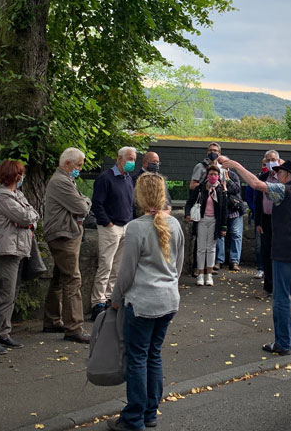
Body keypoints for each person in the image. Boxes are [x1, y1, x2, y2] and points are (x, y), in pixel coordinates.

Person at [107, 173, 184, 431]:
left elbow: (126, 272)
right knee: (154, 355)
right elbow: (178, 265)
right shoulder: (175, 224)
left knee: (137, 358)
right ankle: (150, 412)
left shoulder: (136, 227)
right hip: (168, 301)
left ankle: (134, 417)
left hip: (142, 303)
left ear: (139, 196)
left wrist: (115, 298)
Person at [226, 159, 291, 356]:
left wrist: (236, 165)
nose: (277, 176)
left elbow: (256, 184)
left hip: (284, 250)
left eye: (280, 173)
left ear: (287, 175)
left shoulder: (284, 190)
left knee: (281, 296)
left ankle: (282, 343)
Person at [0, 160, 40, 354]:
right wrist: (27, 220)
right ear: (15, 176)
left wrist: (28, 221)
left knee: (12, 294)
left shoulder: (17, 194)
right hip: (6, 250)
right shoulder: (1, 196)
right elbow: (25, 217)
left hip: (18, 248)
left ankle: (4, 332)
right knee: (5, 295)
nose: (22, 177)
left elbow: (33, 216)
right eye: (20, 174)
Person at [42, 147, 92, 343]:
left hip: (63, 233)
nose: (80, 169)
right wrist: (85, 202)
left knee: (59, 277)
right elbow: (81, 207)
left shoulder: (64, 180)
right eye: (78, 165)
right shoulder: (61, 182)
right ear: (67, 164)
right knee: (72, 279)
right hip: (63, 234)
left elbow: (81, 204)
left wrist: (83, 202)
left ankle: (52, 319)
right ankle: (74, 327)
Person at [91, 147, 137, 319]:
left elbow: (130, 203)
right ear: (119, 159)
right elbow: (97, 203)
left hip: (125, 226)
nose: (132, 162)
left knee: (117, 267)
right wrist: (108, 223)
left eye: (134, 159)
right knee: (106, 265)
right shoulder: (105, 178)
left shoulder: (128, 179)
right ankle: (98, 302)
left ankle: (110, 297)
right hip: (110, 227)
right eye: (130, 158)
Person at [185, 164, 227, 286]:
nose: (213, 176)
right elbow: (190, 202)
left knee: (211, 248)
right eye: (211, 174)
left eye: (215, 174)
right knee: (201, 248)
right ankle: (200, 274)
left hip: (214, 221)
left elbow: (224, 210)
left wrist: (223, 227)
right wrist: (187, 214)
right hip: (202, 220)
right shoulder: (200, 188)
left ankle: (209, 274)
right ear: (207, 176)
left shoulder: (221, 190)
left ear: (218, 176)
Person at [254, 150, 282, 294]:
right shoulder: (263, 177)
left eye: (274, 159)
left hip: (280, 220)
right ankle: (268, 286)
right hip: (265, 219)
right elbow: (258, 200)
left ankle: (279, 285)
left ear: (279, 161)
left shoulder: (283, 178)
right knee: (266, 252)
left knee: (279, 252)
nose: (272, 162)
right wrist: (258, 222)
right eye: (269, 160)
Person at [216, 156, 244, 272]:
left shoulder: (233, 175)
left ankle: (234, 261)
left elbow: (236, 190)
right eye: (219, 163)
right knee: (220, 235)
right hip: (221, 210)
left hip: (234, 210)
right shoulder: (214, 175)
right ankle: (219, 260)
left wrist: (227, 180)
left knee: (236, 234)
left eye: (223, 163)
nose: (221, 165)